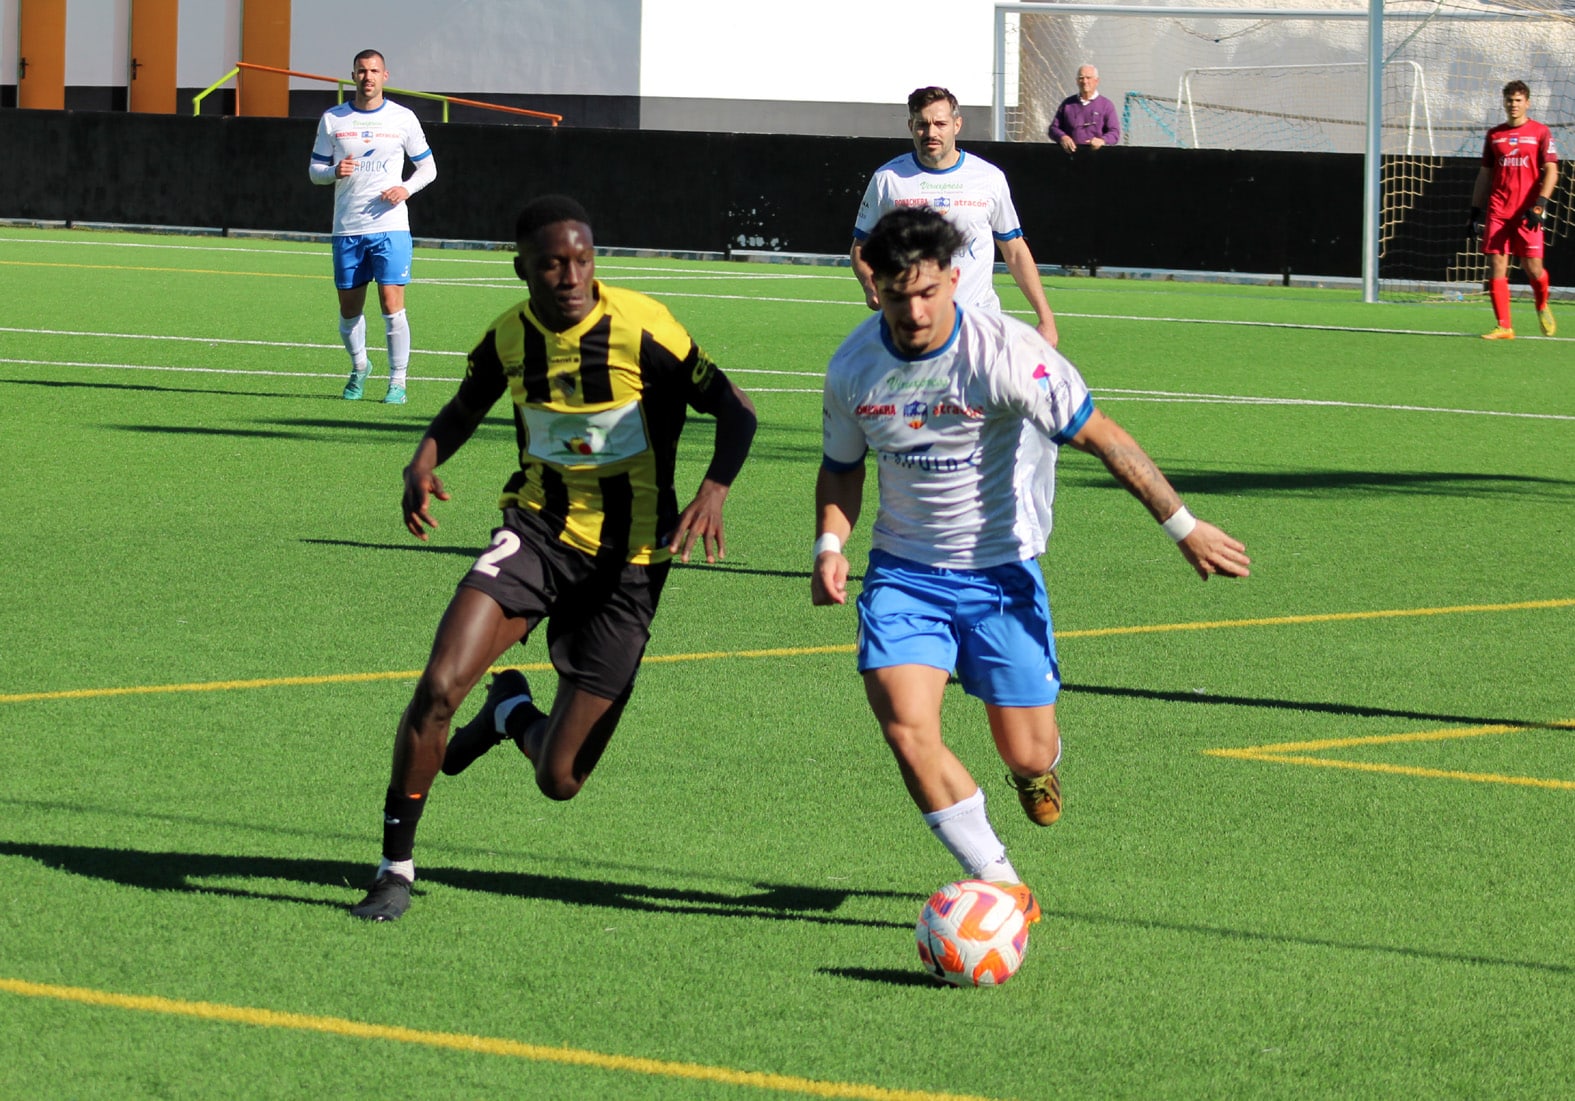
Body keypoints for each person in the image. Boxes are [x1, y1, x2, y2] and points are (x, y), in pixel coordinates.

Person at [813, 207, 1248, 922]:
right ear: (874, 287)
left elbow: (1102, 436)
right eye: (896, 295)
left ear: (954, 279)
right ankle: (1001, 882)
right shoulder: (852, 366)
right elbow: (840, 469)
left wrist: (1184, 525)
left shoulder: (1009, 354)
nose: (913, 311)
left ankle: (1035, 770)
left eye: (926, 292)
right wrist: (829, 545)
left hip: (1001, 575)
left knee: (1026, 750)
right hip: (904, 573)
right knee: (903, 724)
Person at [349, 194, 758, 921]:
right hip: (536, 533)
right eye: (552, 264)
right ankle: (395, 867)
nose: (571, 276)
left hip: (630, 561)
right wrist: (423, 458)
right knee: (439, 684)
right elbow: (465, 405)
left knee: (560, 778)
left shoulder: (645, 328)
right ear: (523, 270)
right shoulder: (510, 337)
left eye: (582, 260)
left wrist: (714, 489)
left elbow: (734, 407)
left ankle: (509, 711)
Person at [851, 86, 1059, 348]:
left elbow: (1014, 250)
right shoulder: (888, 179)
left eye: (940, 123)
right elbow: (861, 247)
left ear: (957, 124)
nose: (931, 133)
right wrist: (871, 286)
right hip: (912, 328)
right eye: (922, 125)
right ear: (910, 126)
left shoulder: (989, 177)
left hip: (980, 325)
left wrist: (1045, 318)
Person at [309, 49, 437, 404]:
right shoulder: (333, 119)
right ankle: (360, 366)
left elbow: (428, 168)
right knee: (349, 310)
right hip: (347, 226)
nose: (368, 77)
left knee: (391, 303)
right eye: (362, 71)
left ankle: (398, 381)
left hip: (391, 226)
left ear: (385, 76)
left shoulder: (403, 118)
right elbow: (314, 171)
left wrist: (405, 188)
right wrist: (333, 172)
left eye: (374, 71)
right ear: (353, 76)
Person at [1470, 79, 1559, 340]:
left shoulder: (1540, 133)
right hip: (1498, 210)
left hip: (1527, 212)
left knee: (1533, 269)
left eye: (1518, 100)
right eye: (1509, 100)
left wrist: (1540, 204)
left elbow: (1552, 170)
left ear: (1527, 103)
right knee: (1496, 263)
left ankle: (1541, 303)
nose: (1513, 105)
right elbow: (1485, 175)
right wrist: (1475, 210)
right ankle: (1504, 326)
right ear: (1504, 103)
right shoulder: (1495, 135)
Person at [1048, 65, 1120, 153]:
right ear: (1077, 81)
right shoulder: (1067, 104)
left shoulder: (1106, 105)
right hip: (1071, 157)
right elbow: (1053, 129)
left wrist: (1102, 141)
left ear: (1096, 81)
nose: (1085, 81)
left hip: (1097, 158)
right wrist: (1063, 137)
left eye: (1088, 78)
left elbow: (1114, 133)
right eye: (1081, 78)